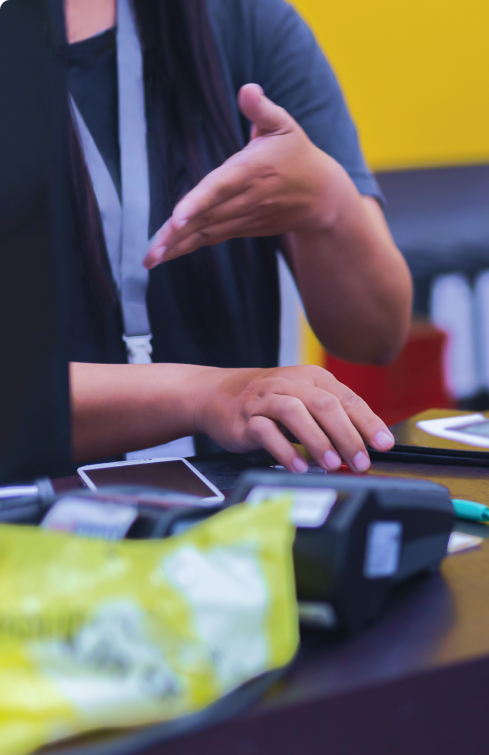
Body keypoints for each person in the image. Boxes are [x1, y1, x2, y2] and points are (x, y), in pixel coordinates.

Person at [61, 0, 410, 471]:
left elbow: (376, 337)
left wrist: (327, 205)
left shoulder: (246, 21)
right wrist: (207, 395)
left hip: (232, 524)